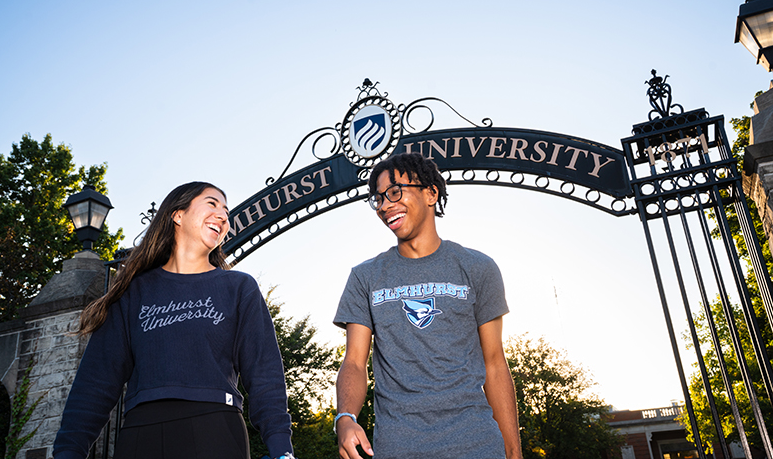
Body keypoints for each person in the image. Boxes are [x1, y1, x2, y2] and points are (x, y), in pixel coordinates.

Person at [53, 181, 294, 459]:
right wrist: (68, 451)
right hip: (140, 435)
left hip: (215, 432)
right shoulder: (134, 291)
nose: (223, 216)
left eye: (226, 212)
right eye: (212, 204)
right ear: (178, 215)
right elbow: (95, 381)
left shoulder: (239, 288)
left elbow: (265, 374)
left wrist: (281, 450)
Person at [334, 153, 522, 459]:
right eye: (378, 199)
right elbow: (354, 362)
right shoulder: (364, 277)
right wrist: (345, 418)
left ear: (431, 193)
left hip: (477, 445)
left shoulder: (478, 268)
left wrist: (514, 453)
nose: (384, 205)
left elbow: (495, 364)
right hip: (399, 447)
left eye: (395, 192)